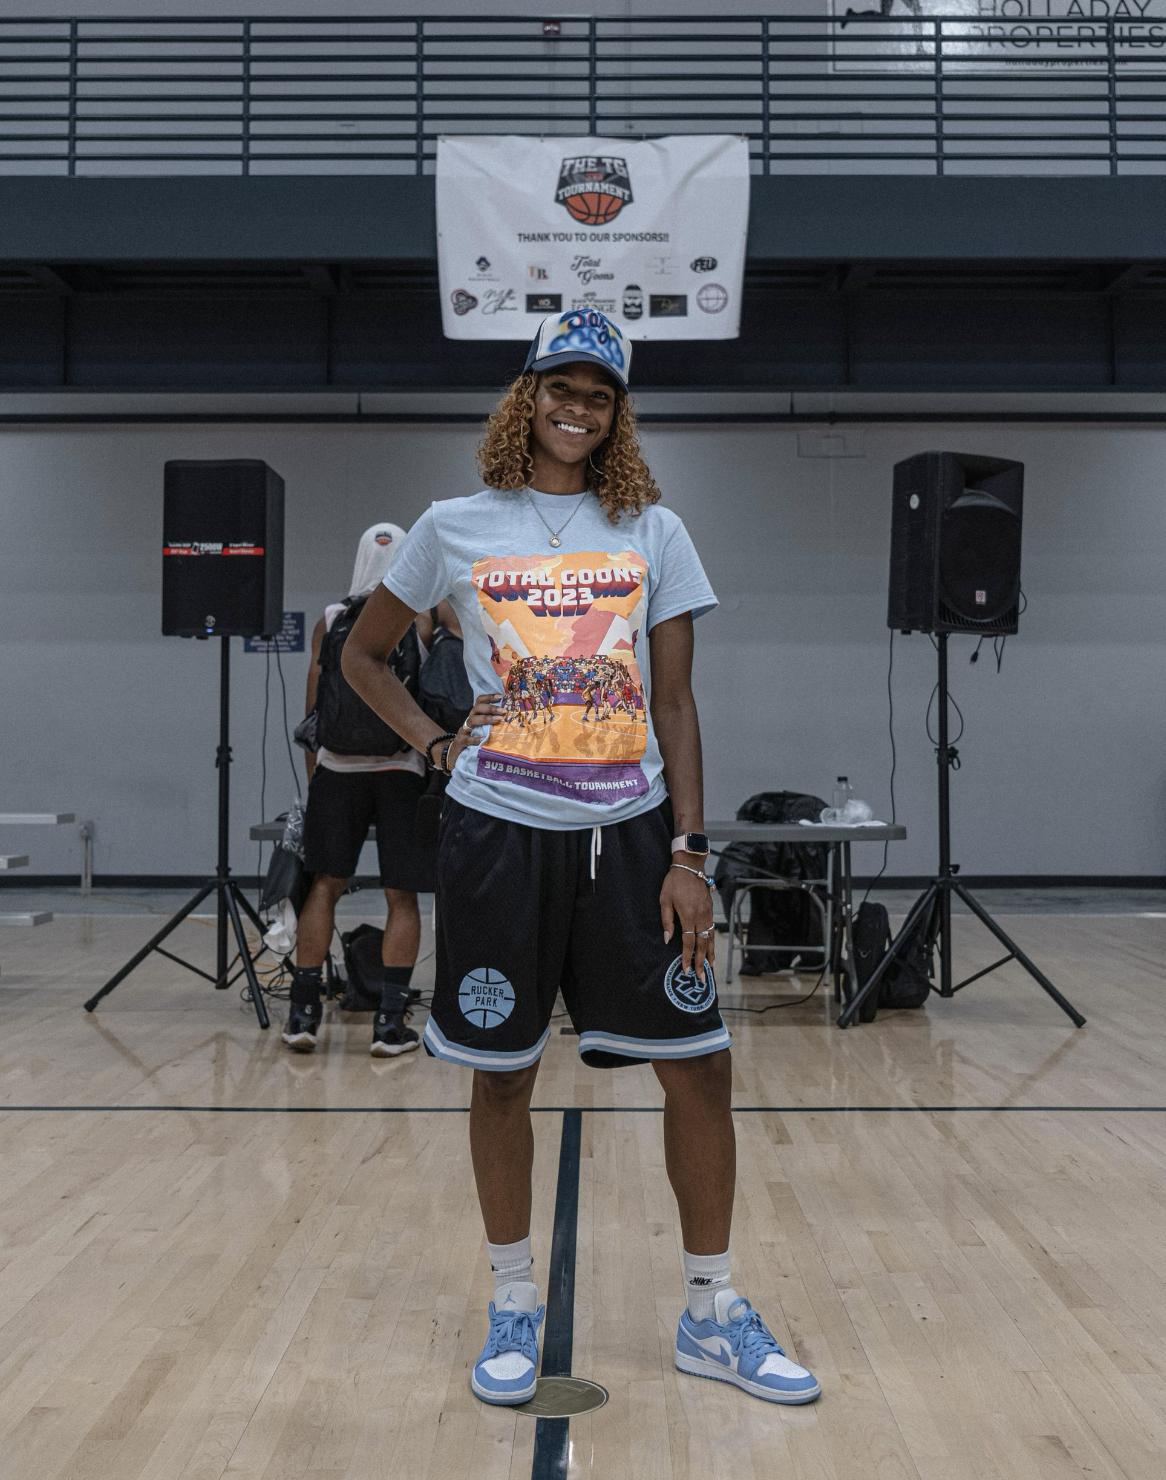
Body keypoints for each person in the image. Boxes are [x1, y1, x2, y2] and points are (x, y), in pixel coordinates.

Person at [342, 311, 821, 1406]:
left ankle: (710, 1313)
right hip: (496, 832)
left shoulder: (653, 529)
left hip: (632, 835)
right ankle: (514, 1299)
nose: (577, 408)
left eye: (598, 395)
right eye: (561, 387)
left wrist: (689, 851)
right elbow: (365, 656)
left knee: (698, 1065)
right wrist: (435, 743)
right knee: (503, 1073)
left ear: (617, 415)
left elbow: (675, 701)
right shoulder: (453, 525)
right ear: (527, 395)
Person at [282, 522, 432, 1059]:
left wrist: (316, 779)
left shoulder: (329, 620)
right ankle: (389, 1024)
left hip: (336, 770)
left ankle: (303, 1014)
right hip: (402, 770)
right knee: (401, 895)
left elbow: (313, 712)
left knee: (324, 885)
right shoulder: (419, 618)